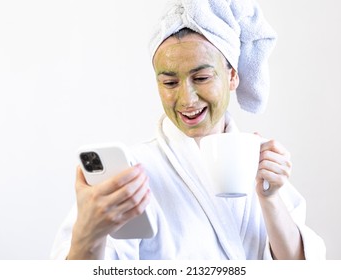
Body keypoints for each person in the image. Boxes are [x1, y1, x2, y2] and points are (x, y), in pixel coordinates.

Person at [51, 0, 326, 260]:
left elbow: (302, 267)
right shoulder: (132, 173)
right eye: (170, 83)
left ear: (232, 76)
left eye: (202, 77)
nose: (187, 99)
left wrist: (270, 197)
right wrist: (88, 234)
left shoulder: (261, 164)